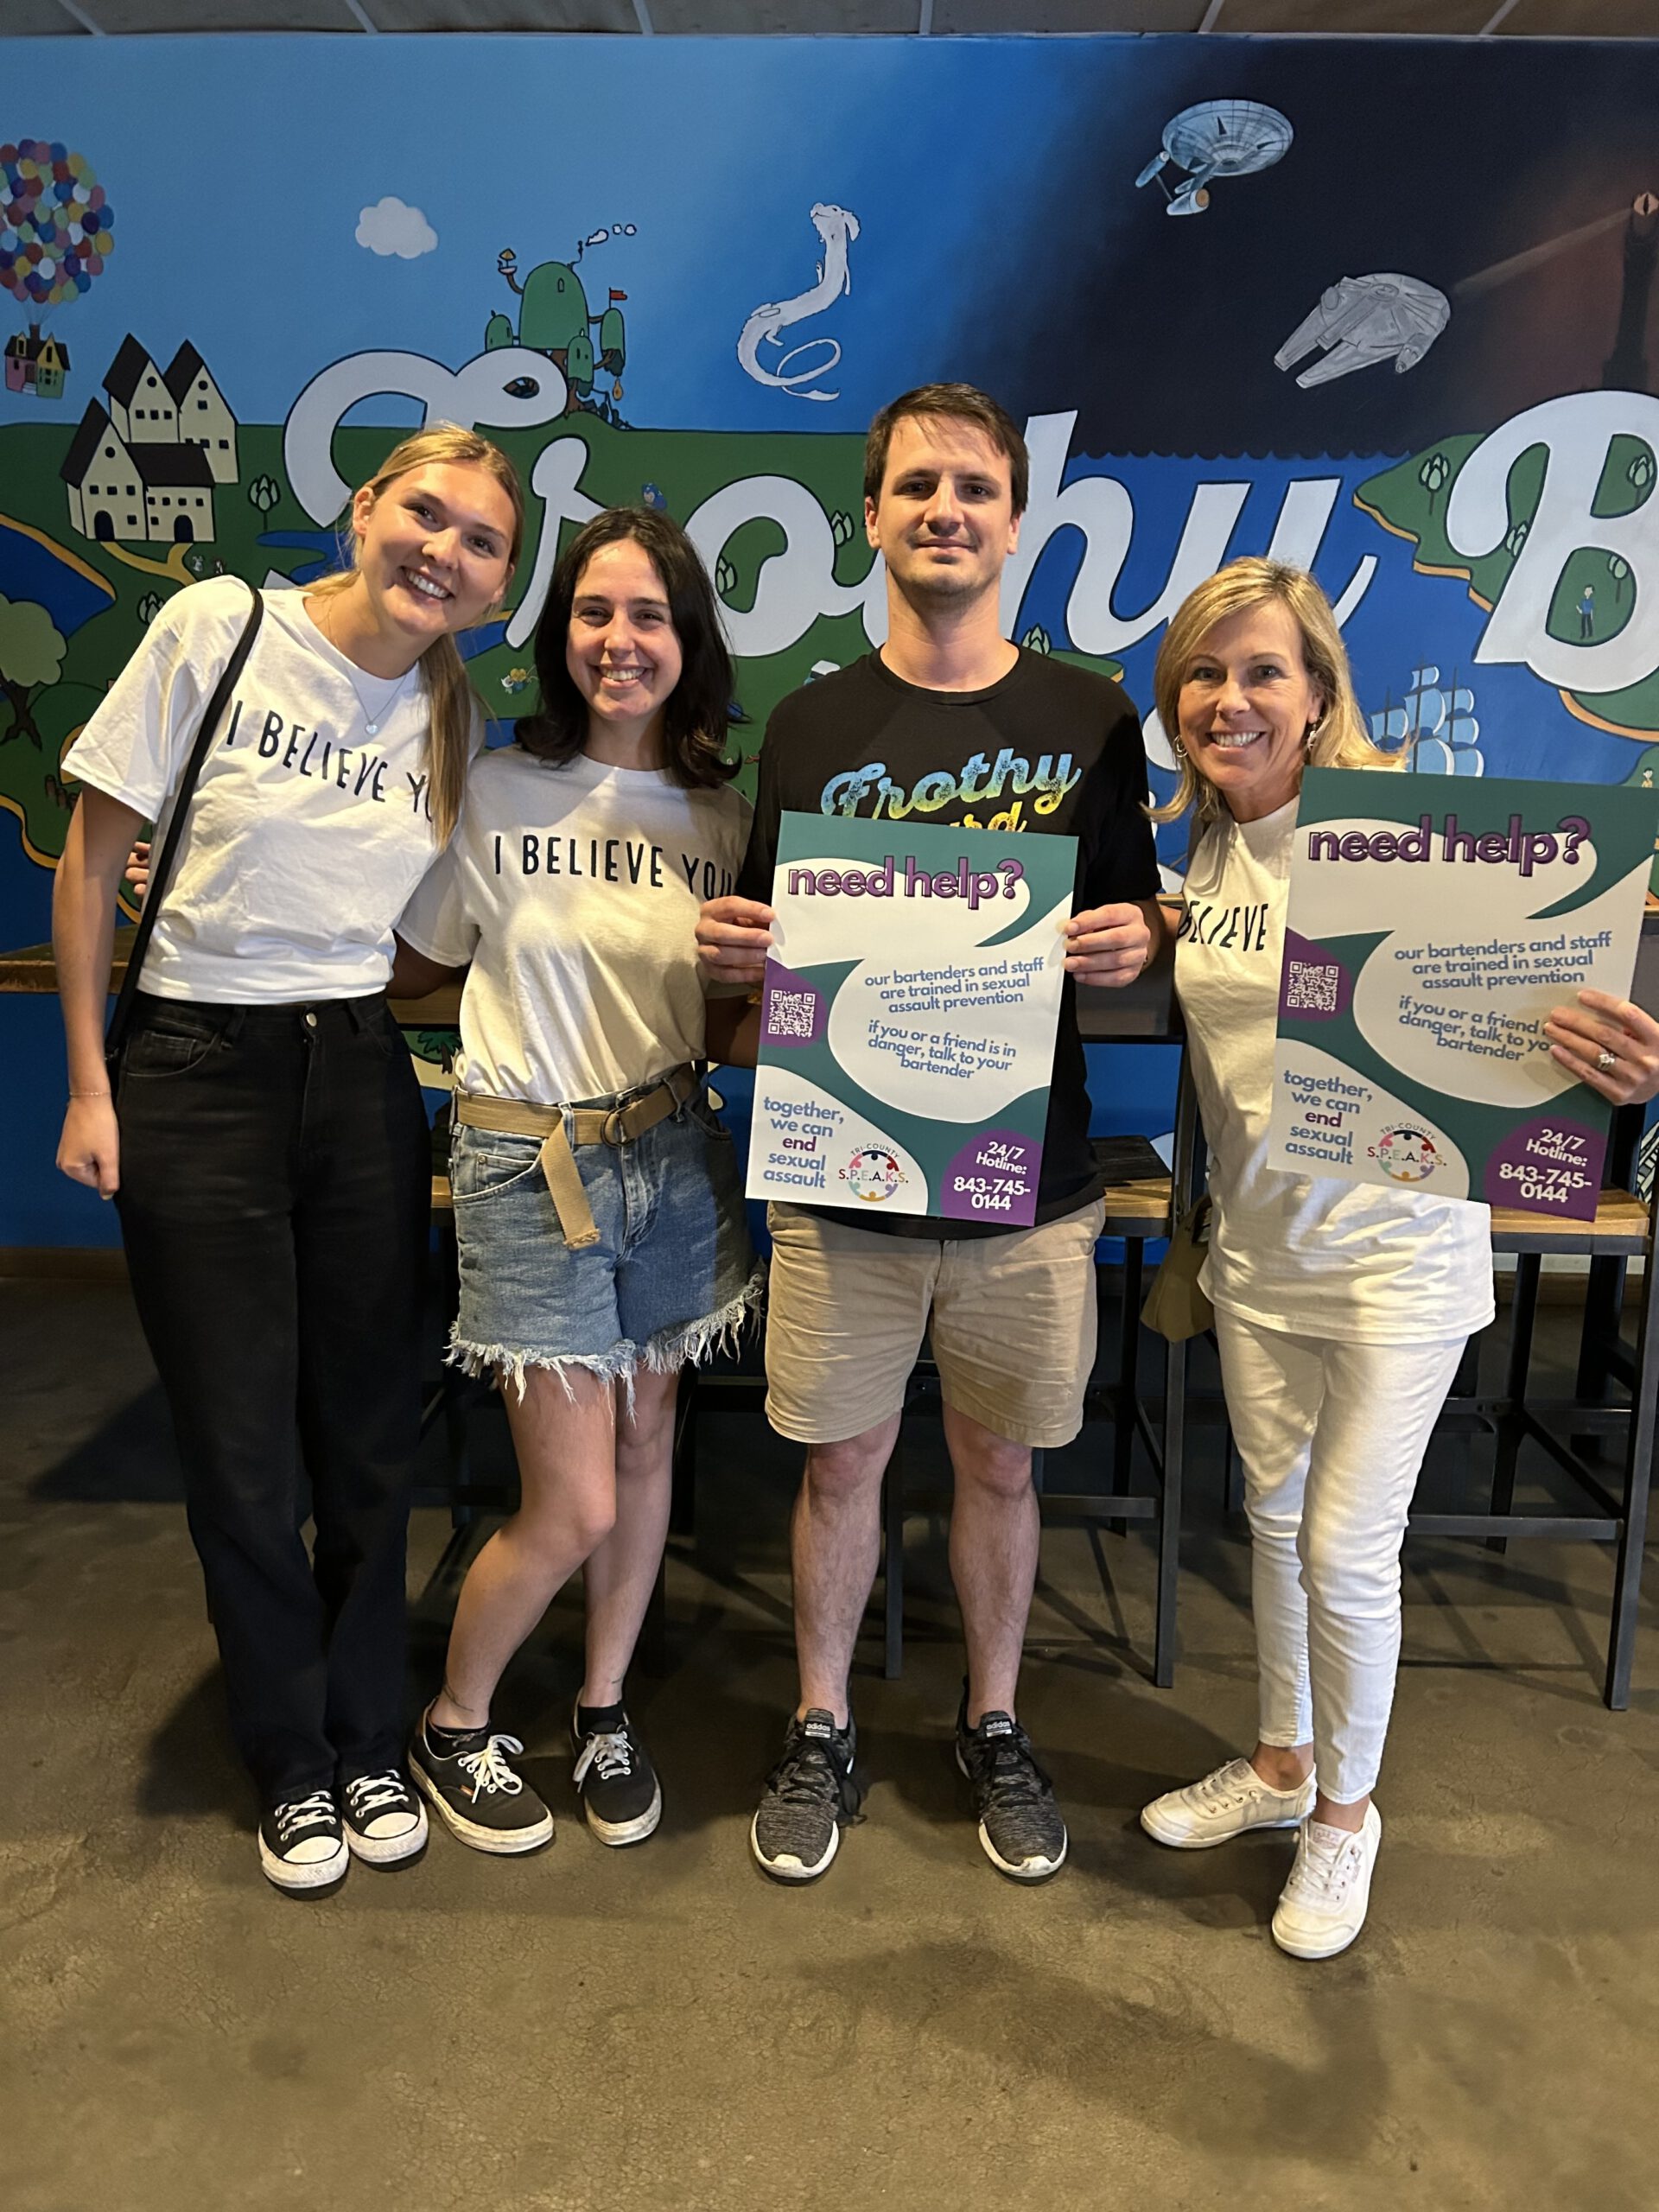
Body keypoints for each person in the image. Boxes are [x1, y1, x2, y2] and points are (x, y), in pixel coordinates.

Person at [1136, 556, 1659, 1958]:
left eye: (1262, 671)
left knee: (1344, 1546)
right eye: (1203, 671)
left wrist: (1612, 1062)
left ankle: (1347, 1820)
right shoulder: (1204, 847)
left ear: (1318, 696)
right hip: (1259, 1255)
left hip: (1400, 1265)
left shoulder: (1412, 838)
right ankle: (1282, 1764)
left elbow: (1560, 1005)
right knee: (1273, 1522)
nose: (1230, 698)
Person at [696, 383, 1163, 1885]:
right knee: (839, 1470)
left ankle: (995, 1720)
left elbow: (1141, 914)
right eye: (916, 488)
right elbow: (779, 958)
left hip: (1031, 1189)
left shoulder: (1092, 716)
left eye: (973, 487)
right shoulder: (812, 724)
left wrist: (1130, 943)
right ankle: (822, 1721)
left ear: (1015, 520)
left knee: (1001, 1468)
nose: (944, 511)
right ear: (876, 516)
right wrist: (736, 955)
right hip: (845, 1182)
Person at [54, 426, 524, 1896]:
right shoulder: (220, 627)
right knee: (240, 1443)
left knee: (368, 1430)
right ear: (362, 509)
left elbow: (411, 939)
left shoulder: (456, 719)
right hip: (194, 1065)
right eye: (422, 513)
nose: (442, 550)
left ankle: (370, 1729)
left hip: (357, 1071)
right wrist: (88, 1080)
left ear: (500, 584)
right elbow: (87, 859)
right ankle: (291, 1754)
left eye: (481, 541)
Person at [392, 507, 760, 1856]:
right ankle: (454, 1718)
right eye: (594, 614)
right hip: (526, 1158)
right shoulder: (493, 789)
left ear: (688, 642)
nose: (620, 640)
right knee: (576, 1498)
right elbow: (418, 962)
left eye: (650, 616)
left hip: (675, 1151)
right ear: (560, 638)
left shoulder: (722, 815)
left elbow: (723, 1017)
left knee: (653, 1443)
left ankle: (604, 1704)